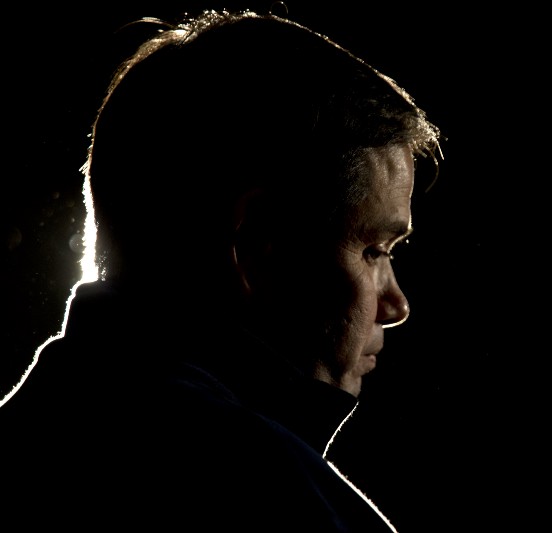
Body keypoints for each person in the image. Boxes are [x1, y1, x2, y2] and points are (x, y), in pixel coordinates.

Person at [0, 6, 443, 531]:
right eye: (374, 251)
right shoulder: (269, 505)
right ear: (257, 243)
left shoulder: (19, 438)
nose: (396, 306)